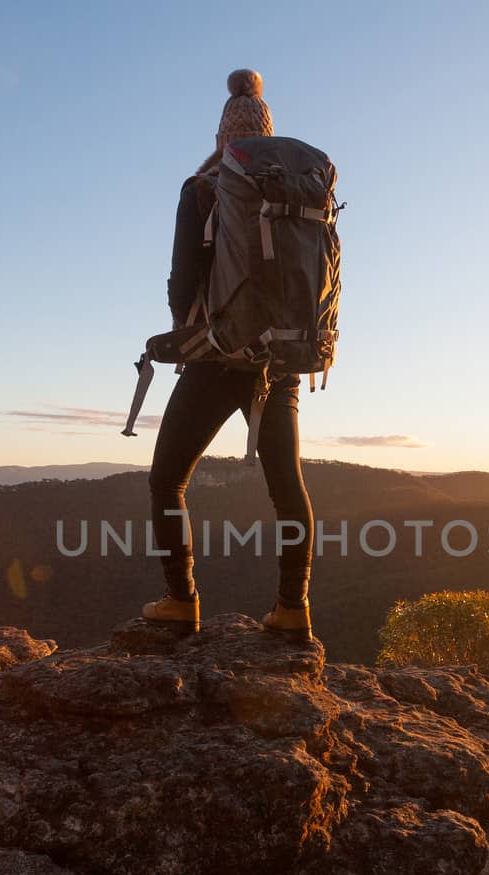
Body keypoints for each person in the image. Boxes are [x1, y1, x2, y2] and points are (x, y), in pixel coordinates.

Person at [141, 69, 313, 638]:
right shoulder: (291, 192)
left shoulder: (201, 189)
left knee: (168, 480)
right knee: (286, 486)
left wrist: (184, 333)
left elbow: (180, 279)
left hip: (214, 358)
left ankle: (181, 599)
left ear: (221, 138)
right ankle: (292, 609)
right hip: (281, 360)